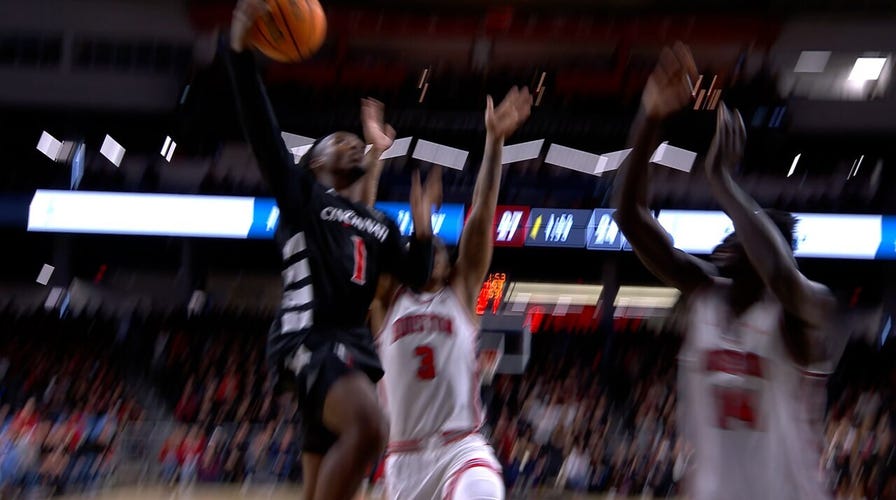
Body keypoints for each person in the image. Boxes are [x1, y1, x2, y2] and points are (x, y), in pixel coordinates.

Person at [224, 2, 435, 499]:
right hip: (310, 338)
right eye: (339, 140)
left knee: (327, 484)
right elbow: (259, 127)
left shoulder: (379, 223)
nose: (351, 143)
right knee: (370, 427)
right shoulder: (301, 196)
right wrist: (238, 50)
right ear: (313, 161)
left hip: (354, 349)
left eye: (353, 141)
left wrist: (423, 230)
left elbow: (420, 276)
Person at [613, 42, 834, 500]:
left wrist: (723, 181)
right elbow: (630, 218)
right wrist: (649, 118)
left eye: (737, 237)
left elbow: (779, 275)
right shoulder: (707, 294)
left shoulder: (804, 310)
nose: (723, 243)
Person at [367, 87, 532, 500]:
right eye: (430, 247)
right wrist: (374, 156)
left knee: (482, 491)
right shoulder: (388, 300)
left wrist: (494, 144)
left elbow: (482, 213)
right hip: (403, 460)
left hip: (461, 449)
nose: (439, 250)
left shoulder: (459, 291)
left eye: (444, 249)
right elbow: (360, 230)